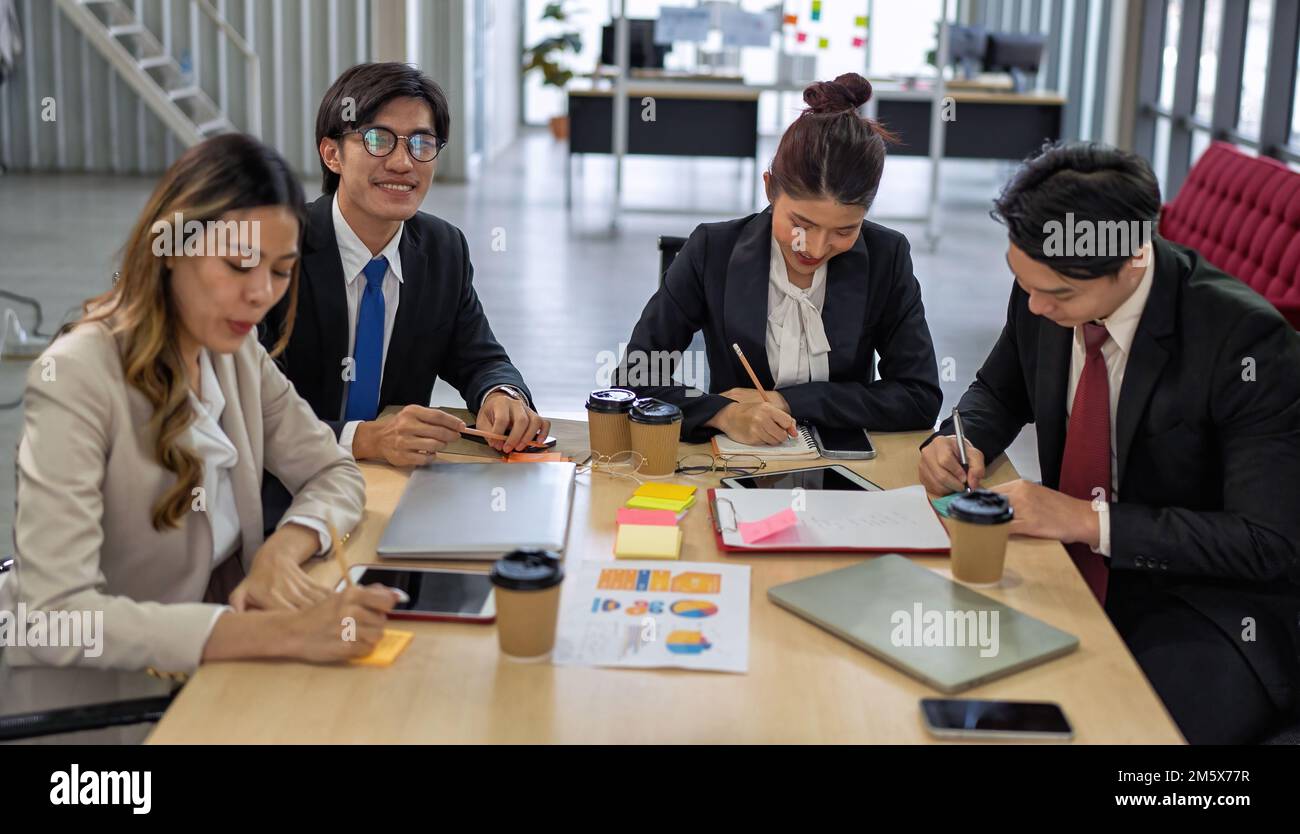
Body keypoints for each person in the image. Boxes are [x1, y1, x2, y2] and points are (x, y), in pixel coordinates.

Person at [0, 134, 400, 743]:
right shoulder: (78, 376)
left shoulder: (236, 352)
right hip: (93, 710)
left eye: (280, 271)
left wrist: (279, 553)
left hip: (203, 678)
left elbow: (333, 472)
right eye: (238, 265)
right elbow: (59, 618)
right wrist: (284, 632)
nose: (262, 293)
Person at [918, 141, 1300, 744]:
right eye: (1025, 283)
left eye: (1060, 296)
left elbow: (1266, 542)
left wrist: (1087, 520)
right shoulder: (1046, 282)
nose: (1036, 306)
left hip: (1201, 600)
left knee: (1117, 736)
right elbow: (1000, 387)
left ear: (1132, 262)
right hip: (1059, 564)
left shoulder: (1244, 341)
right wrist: (959, 440)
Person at [615, 73, 941, 445]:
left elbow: (919, 396)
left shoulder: (887, 257)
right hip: (734, 466)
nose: (816, 249)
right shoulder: (711, 251)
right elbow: (633, 381)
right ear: (770, 188)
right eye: (801, 224)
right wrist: (722, 412)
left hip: (846, 474)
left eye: (844, 231)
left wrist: (787, 401)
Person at [261, 62, 548, 479]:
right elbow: (247, 411)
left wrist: (500, 395)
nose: (402, 162)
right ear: (332, 154)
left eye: (421, 143)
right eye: (378, 139)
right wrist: (364, 439)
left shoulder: (443, 249)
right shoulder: (277, 251)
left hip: (394, 484)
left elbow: (479, 357)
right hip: (284, 482)